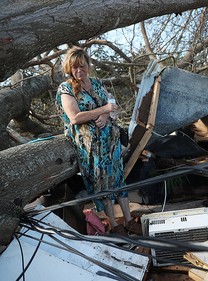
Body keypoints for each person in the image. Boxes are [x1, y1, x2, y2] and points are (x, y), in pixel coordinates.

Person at [55, 46, 141, 236]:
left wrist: (108, 115)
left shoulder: (96, 83)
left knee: (118, 179)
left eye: (82, 66)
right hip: (90, 147)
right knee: (103, 183)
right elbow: (75, 118)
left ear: (88, 65)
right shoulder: (66, 88)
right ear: (69, 69)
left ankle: (128, 220)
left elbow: (114, 109)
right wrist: (103, 110)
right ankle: (114, 224)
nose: (79, 71)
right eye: (74, 68)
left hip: (110, 142)